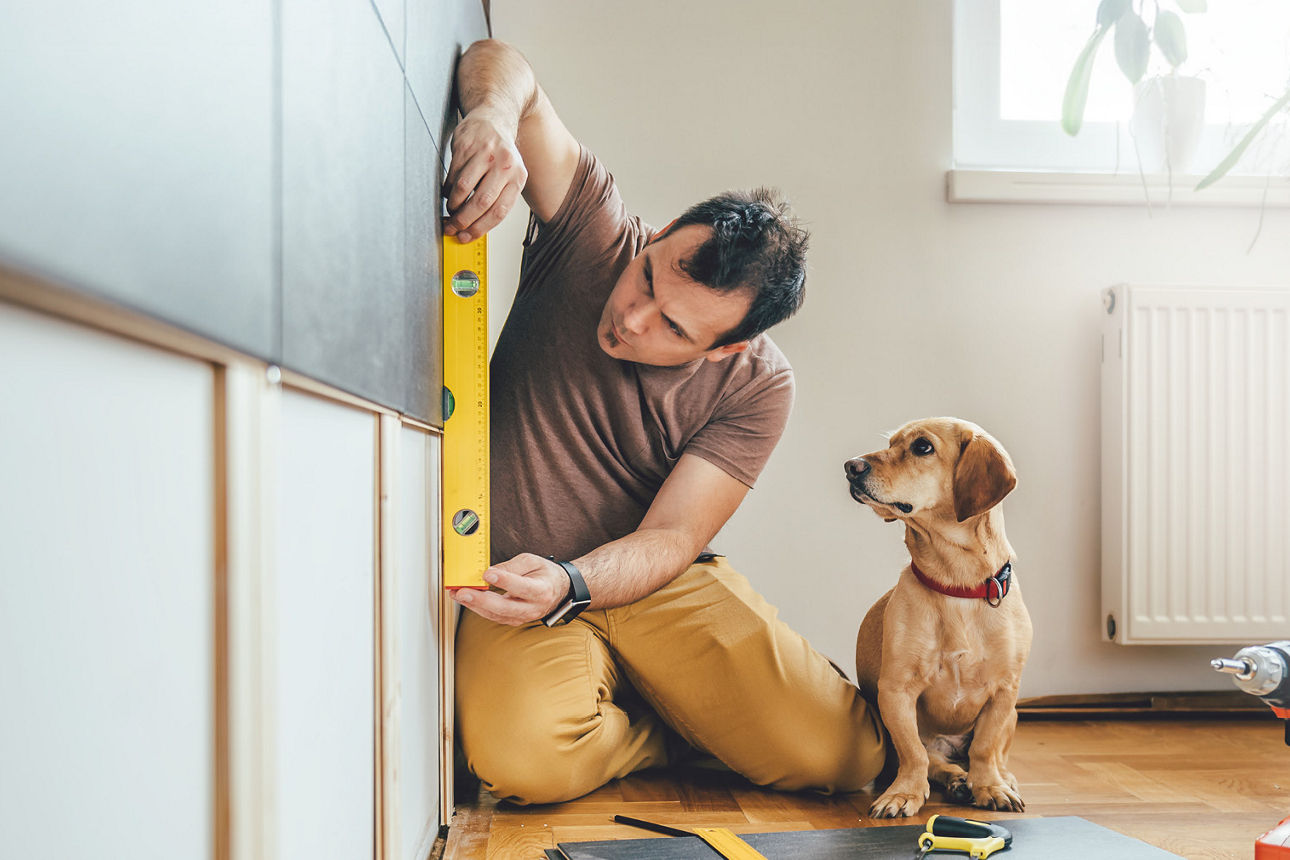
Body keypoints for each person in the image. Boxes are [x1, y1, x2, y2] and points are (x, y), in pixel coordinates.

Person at [444, 38, 886, 805]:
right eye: (648, 276)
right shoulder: (594, 236)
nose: (631, 319)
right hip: (514, 579)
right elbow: (502, 62)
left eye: (675, 329)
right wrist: (490, 114)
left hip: (647, 578)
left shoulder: (760, 385)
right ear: (657, 236)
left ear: (727, 349)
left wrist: (577, 580)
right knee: (523, 765)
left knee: (844, 758)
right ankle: (670, 727)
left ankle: (686, 707)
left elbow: (674, 538)